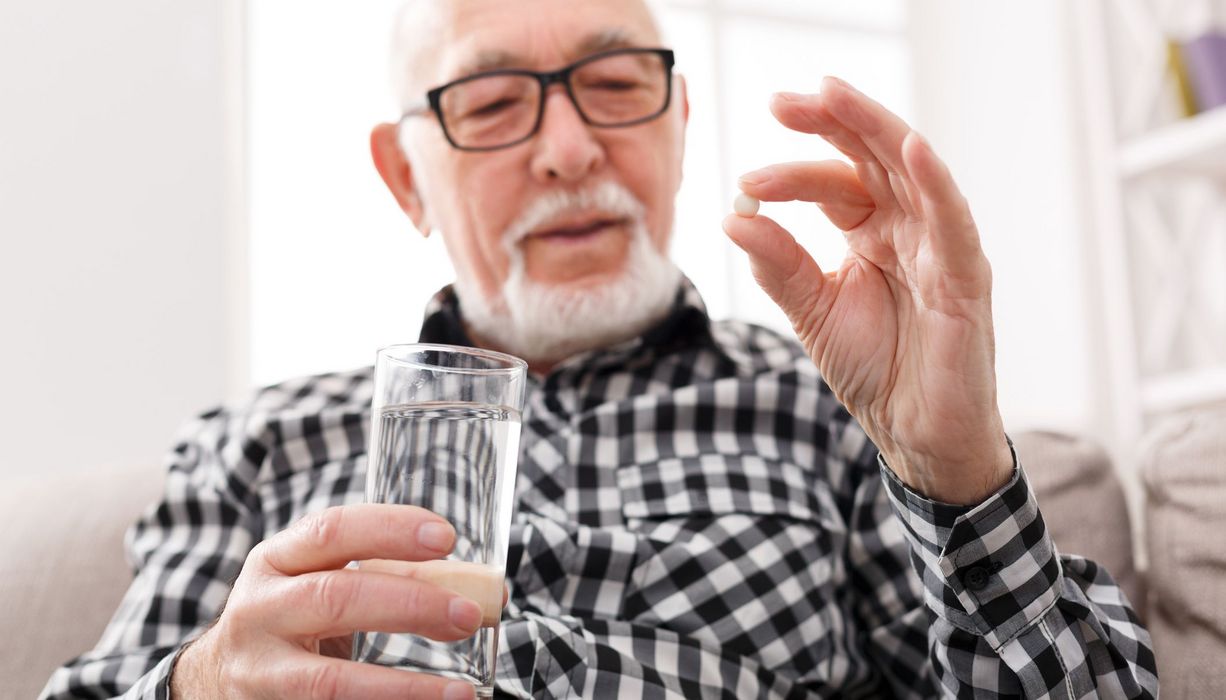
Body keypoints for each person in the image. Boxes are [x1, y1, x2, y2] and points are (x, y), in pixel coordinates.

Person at [42, 0, 1158, 698]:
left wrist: (953, 467)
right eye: (489, 104)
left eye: (617, 85)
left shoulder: (833, 408)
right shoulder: (254, 443)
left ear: (678, 125)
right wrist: (197, 686)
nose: (571, 150)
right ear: (402, 176)